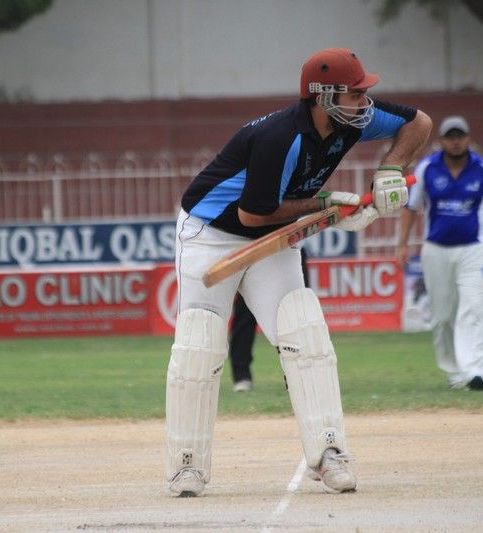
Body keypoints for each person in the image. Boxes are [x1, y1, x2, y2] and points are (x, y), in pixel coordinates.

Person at [165, 47, 432, 497]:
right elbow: (253, 214)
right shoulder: (280, 137)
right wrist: (327, 203)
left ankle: (328, 453)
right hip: (211, 233)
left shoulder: (355, 120)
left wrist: (390, 168)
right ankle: (186, 465)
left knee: (304, 331)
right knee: (199, 341)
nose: (364, 101)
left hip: (275, 235)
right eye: (355, 93)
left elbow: (418, 123)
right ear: (324, 97)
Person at [397, 115, 483, 391]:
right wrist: (402, 244)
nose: (455, 142)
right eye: (450, 137)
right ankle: (454, 371)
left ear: (468, 139)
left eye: (460, 136)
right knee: (442, 316)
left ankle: (475, 371)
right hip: (436, 250)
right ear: (442, 141)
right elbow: (411, 208)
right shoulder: (427, 168)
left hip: (475, 249)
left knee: (473, 308)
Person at [229, 248, 309, 393]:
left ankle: (301, 372)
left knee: (296, 312)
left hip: (289, 248)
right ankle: (241, 375)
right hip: (251, 247)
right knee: (245, 314)